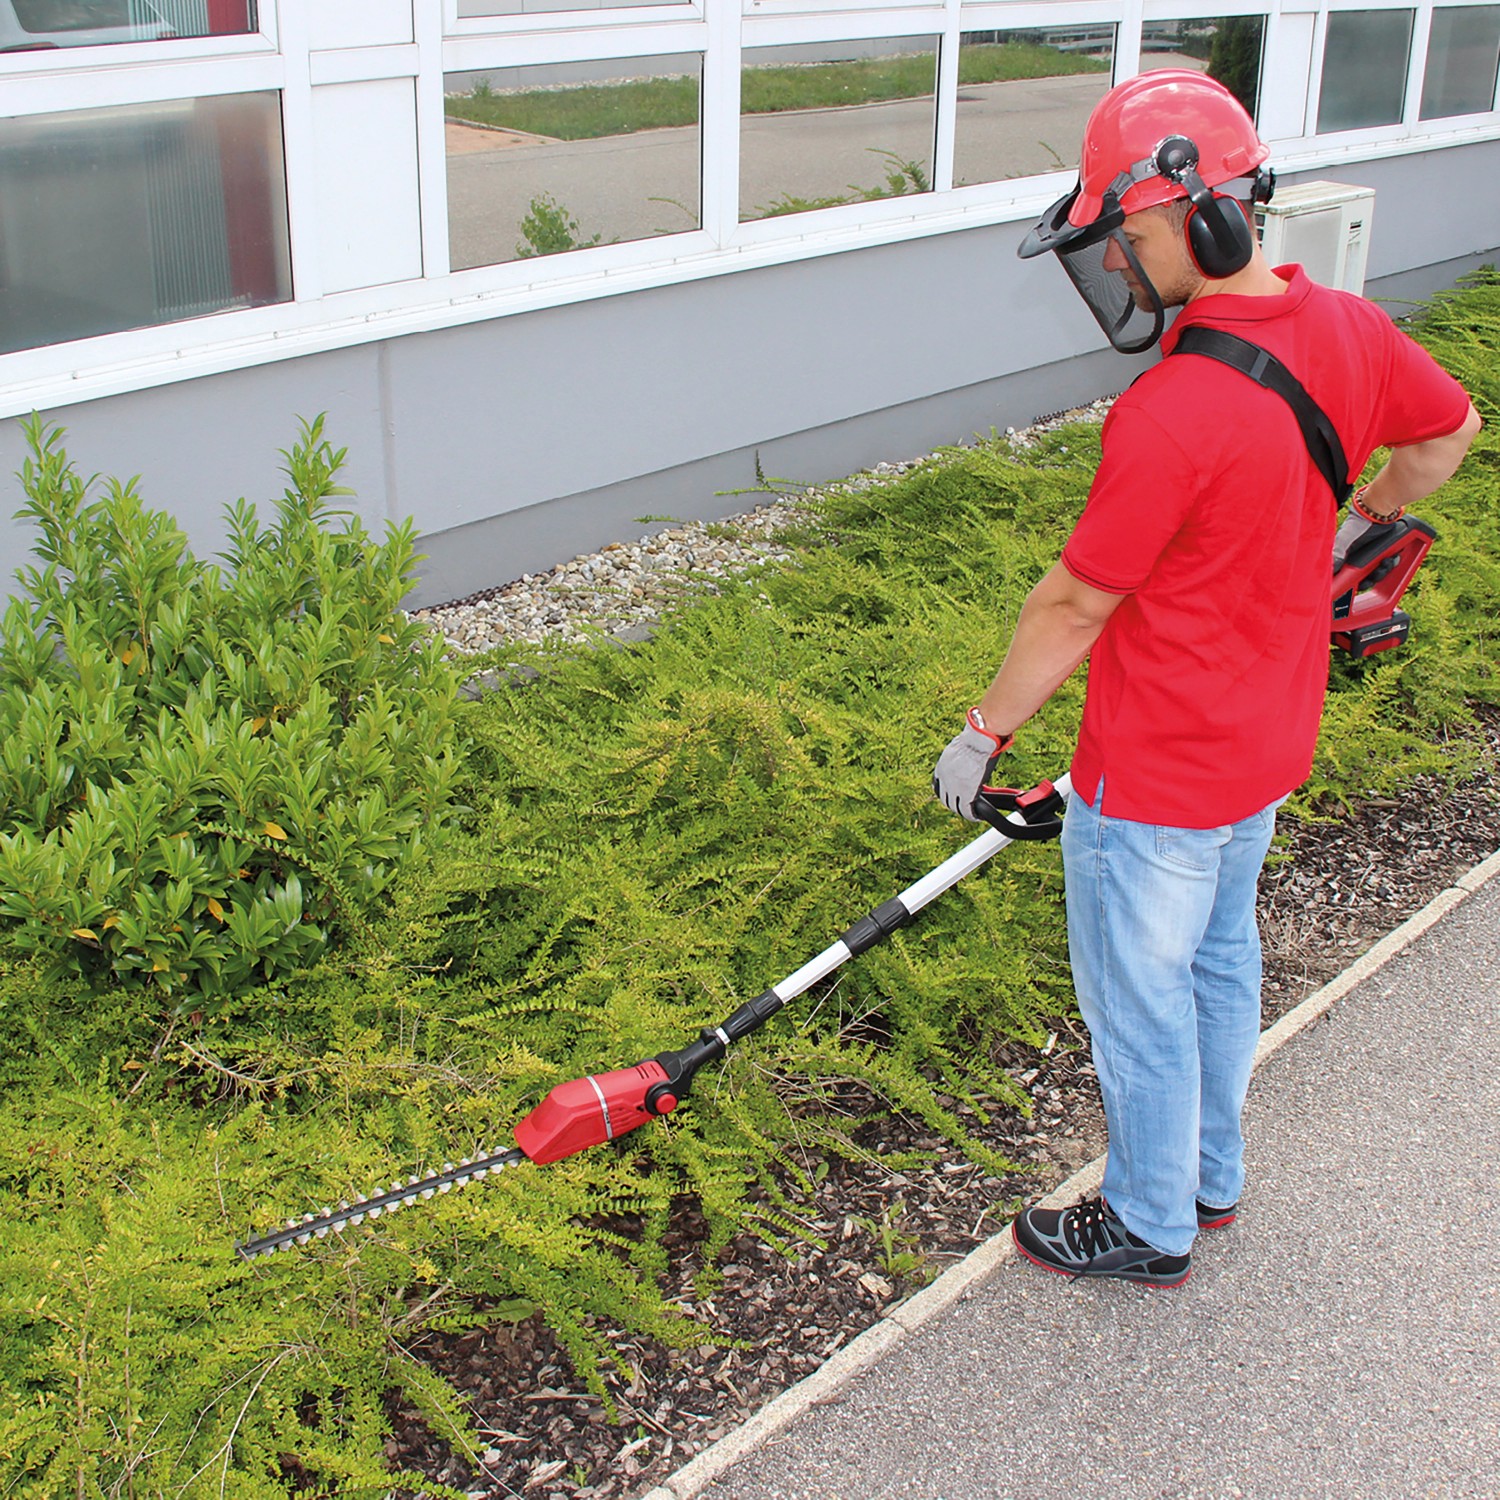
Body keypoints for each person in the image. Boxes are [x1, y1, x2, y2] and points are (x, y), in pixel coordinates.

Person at [932, 69, 1482, 1288]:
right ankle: (1211, 1175)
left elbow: (1076, 601)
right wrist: (1362, 520)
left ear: (1203, 218)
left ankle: (1147, 1222)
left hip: (1157, 773)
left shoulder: (1172, 409)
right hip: (1267, 748)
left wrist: (981, 735)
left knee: (1140, 1000)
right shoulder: (1352, 330)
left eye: (1126, 236)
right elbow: (1450, 432)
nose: (1120, 265)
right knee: (1222, 958)